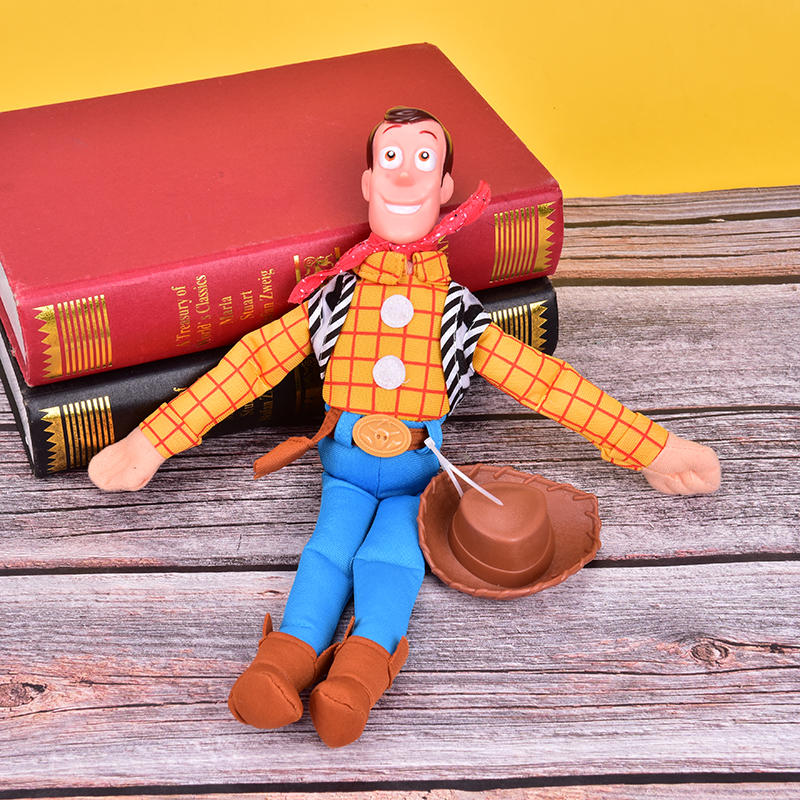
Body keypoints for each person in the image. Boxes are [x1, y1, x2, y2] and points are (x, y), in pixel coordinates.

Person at [89, 106, 721, 748]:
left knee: (389, 559)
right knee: (327, 552)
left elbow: (547, 384)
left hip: (417, 480)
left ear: (445, 187)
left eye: (424, 158)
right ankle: (284, 660)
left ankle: (360, 673)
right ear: (367, 181)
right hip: (342, 470)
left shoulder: (457, 315)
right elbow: (251, 365)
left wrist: (654, 448)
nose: (405, 173)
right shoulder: (334, 300)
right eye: (390, 157)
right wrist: (151, 441)